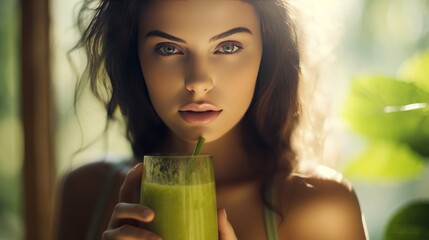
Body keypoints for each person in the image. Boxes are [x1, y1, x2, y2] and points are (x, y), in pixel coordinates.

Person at [55, 0, 368, 239]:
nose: (198, 81)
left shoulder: (320, 209)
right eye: (168, 48)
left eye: (227, 47)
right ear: (134, 56)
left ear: (267, 53)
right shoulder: (87, 192)